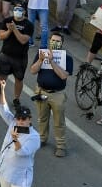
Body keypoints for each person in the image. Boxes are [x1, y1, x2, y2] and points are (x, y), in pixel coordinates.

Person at [28, 29, 73, 158]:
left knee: (59, 121)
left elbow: (63, 76)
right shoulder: (40, 54)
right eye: (53, 40)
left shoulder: (67, 58)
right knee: (42, 118)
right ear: (49, 41)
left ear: (62, 43)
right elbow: (32, 70)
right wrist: (41, 60)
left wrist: (52, 61)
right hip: (42, 91)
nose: (54, 43)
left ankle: (60, 146)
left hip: (57, 95)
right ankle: (42, 139)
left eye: (57, 41)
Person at [0, 6, 33, 109]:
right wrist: (9, 31)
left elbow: (23, 40)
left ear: (24, 11)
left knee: (19, 79)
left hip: (20, 58)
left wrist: (14, 30)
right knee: (1, 78)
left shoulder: (28, 25)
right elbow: (1, 36)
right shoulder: (7, 20)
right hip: (6, 55)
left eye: (20, 10)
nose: (17, 11)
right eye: (16, 9)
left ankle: (16, 99)